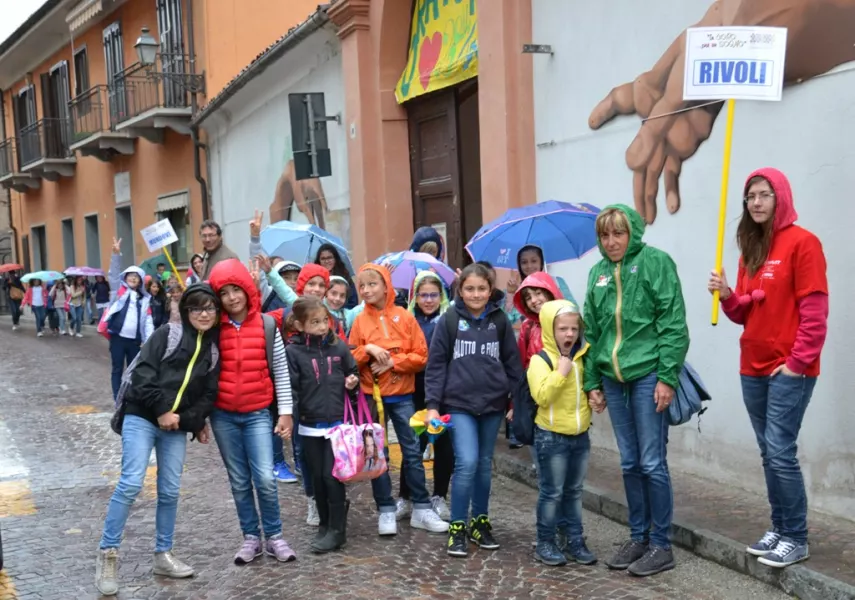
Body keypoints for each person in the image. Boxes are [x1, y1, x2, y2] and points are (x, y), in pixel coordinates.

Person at [707, 168, 828, 569]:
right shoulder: (750, 248)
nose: (756, 203)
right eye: (750, 197)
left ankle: (796, 536)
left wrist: (796, 365)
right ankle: (779, 527)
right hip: (752, 367)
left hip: (788, 370)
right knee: (768, 452)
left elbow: (814, 313)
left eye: (764, 195)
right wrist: (726, 295)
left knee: (780, 451)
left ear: (781, 198)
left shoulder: (804, 243)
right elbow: (745, 312)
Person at [95, 284, 222, 596]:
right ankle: (107, 555)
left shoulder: (213, 350)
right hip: (142, 416)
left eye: (209, 308)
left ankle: (163, 555)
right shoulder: (168, 334)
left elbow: (207, 396)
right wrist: (163, 410)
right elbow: (143, 375)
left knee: (169, 491)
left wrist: (190, 421)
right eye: (196, 308)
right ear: (185, 311)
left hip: (175, 426)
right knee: (130, 483)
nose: (203, 314)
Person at [583, 205, 688, 577]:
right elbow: (592, 332)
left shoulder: (656, 262)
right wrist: (591, 382)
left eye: (618, 233)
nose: (611, 242)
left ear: (633, 233)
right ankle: (639, 536)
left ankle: (661, 544)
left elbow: (672, 323)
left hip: (647, 375)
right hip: (613, 378)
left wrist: (667, 377)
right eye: (605, 235)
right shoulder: (597, 273)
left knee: (652, 462)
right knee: (628, 463)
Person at [424, 263, 522, 557]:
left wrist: (515, 400)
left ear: (490, 290)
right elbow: (436, 365)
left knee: (483, 463)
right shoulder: (449, 320)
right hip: (459, 404)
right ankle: (458, 525)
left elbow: (512, 362)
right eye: (470, 288)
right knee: (466, 462)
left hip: (492, 405)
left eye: (482, 288)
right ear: (460, 290)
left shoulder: (500, 320)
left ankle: (480, 521)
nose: (476, 294)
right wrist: (431, 406)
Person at [207, 259, 297, 565]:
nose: (232, 298)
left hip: (258, 412)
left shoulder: (267, 324)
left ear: (247, 289)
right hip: (223, 416)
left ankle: (274, 536)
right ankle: (251, 537)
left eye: (237, 290)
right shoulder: (212, 329)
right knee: (239, 480)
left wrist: (285, 412)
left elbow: (281, 372)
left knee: (265, 477)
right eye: (224, 293)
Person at [349, 264, 448, 536]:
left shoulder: (404, 317)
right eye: (362, 286)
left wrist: (393, 362)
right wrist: (367, 349)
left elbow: (422, 356)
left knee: (413, 452)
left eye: (372, 284)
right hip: (373, 397)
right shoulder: (359, 320)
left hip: (403, 396)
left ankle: (421, 507)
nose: (367, 290)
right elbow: (350, 356)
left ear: (386, 286)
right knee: (377, 454)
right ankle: (386, 509)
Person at [285, 296, 360, 553]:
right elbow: (291, 388)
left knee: (332, 476)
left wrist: (352, 382)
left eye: (324, 321)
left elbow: (353, 372)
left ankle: (338, 531)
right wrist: (289, 417)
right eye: (314, 322)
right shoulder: (293, 351)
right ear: (299, 324)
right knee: (317, 478)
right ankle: (325, 524)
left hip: (337, 424)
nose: (321, 327)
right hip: (308, 424)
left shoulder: (338, 347)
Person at [529, 300, 598, 567]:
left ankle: (575, 540)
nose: (569, 334)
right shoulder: (540, 360)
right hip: (551, 438)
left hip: (580, 437)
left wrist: (595, 397)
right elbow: (542, 396)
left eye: (573, 329)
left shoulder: (582, 359)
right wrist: (560, 373)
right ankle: (545, 542)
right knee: (552, 492)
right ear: (549, 329)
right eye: (562, 329)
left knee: (574, 492)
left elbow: (588, 389)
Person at [398, 271, 453, 521]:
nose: (428, 300)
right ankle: (406, 496)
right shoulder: (408, 320)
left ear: (441, 296)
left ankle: (439, 495)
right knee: (413, 445)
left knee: (443, 445)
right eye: (423, 295)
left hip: (445, 391)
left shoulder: (448, 319)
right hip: (415, 389)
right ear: (415, 297)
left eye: (433, 295)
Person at [104, 237, 155, 400]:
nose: (133, 278)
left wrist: (149, 341)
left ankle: (131, 397)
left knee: (134, 370)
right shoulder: (118, 291)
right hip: (118, 338)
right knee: (117, 369)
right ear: (125, 278)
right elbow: (113, 273)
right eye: (130, 275)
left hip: (134, 341)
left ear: (140, 280)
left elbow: (148, 322)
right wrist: (116, 254)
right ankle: (117, 397)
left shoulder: (145, 299)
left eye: (136, 276)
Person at [505, 245, 576, 326]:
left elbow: (573, 309)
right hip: (532, 336)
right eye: (524, 262)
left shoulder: (556, 282)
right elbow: (508, 320)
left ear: (541, 262)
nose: (529, 266)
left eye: (534, 261)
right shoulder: (519, 289)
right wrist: (511, 294)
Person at [315, 243, 357, 309]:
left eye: (329, 258)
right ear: (319, 261)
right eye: (323, 259)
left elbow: (353, 301)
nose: (326, 261)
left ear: (335, 259)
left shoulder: (344, 275)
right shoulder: (315, 277)